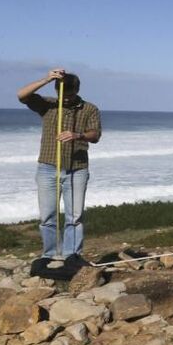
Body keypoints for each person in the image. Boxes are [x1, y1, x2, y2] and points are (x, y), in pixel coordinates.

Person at [17, 68, 102, 267]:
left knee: (75, 216)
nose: (65, 99)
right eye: (62, 94)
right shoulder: (48, 105)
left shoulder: (89, 109)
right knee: (48, 216)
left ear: (77, 90)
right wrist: (47, 79)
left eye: (69, 95)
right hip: (48, 167)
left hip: (77, 168)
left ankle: (72, 255)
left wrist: (78, 135)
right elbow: (21, 95)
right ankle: (50, 254)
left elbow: (96, 135)